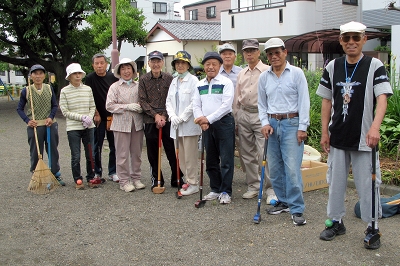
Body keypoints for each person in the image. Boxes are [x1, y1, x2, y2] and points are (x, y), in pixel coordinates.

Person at [317, 21, 392, 249]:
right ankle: (336, 222)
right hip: (338, 135)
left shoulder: (374, 65)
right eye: (346, 38)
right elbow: (326, 100)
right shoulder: (333, 67)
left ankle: (372, 227)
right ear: (340, 41)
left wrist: (375, 127)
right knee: (336, 183)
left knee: (368, 184)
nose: (351, 42)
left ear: (364, 39)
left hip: (364, 137)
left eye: (356, 38)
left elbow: (382, 98)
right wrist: (324, 132)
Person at [258, 38, 310, 225]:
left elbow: (304, 101)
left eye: (277, 52)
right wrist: (264, 122)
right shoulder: (264, 77)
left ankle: (296, 208)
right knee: (276, 167)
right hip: (272, 123)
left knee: (292, 168)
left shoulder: (296, 73)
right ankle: (283, 201)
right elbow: (261, 104)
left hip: (292, 123)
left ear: (285, 52)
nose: (273, 56)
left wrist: (302, 127)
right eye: (270, 53)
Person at [233, 39, 277, 203]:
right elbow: (237, 97)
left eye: (252, 50)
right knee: (247, 153)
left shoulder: (267, 71)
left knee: (264, 153)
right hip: (244, 114)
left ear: (259, 52)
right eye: (246, 51)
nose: (249, 54)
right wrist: (237, 116)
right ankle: (253, 185)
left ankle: (271, 189)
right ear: (243, 54)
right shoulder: (241, 73)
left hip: (261, 115)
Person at [193, 51, 235, 204]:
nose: (211, 67)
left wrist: (208, 119)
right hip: (206, 126)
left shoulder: (226, 82)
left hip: (224, 123)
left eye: (214, 64)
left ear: (220, 66)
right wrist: (202, 121)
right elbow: (196, 105)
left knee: (226, 160)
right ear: (203, 66)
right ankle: (215, 188)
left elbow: (226, 106)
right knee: (210, 159)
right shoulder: (200, 84)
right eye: (207, 64)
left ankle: (225, 191)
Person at [139, 50, 184, 191]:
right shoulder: (143, 79)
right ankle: (157, 179)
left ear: (162, 63)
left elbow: (171, 99)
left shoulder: (169, 78)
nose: (156, 64)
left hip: (167, 118)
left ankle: (177, 177)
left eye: (158, 61)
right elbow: (142, 100)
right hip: (150, 119)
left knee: (171, 149)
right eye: (153, 61)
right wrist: (155, 116)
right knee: (153, 152)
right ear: (149, 63)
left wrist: (164, 115)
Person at [17, 64, 64, 186]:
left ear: (44, 75)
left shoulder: (49, 88)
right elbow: (19, 109)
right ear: (31, 76)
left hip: (49, 124)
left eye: (40, 73)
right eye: (35, 73)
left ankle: (55, 173)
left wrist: (51, 117)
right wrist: (27, 120)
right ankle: (36, 174)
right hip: (35, 125)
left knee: (52, 149)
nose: (38, 76)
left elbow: (54, 105)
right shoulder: (26, 91)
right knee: (35, 151)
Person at [106, 58, 145, 192]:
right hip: (121, 124)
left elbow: (144, 101)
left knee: (136, 153)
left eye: (128, 68)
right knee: (122, 154)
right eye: (123, 68)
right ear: (119, 71)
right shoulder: (115, 87)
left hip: (137, 123)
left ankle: (136, 178)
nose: (126, 71)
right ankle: (124, 181)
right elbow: (109, 106)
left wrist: (141, 107)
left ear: (133, 71)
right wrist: (127, 106)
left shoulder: (139, 85)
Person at [166, 51, 201, 196]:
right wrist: (172, 115)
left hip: (189, 125)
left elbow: (195, 102)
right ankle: (188, 180)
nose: (180, 65)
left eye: (183, 63)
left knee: (190, 156)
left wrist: (182, 117)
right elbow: (168, 101)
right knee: (181, 157)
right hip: (176, 126)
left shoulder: (194, 81)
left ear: (188, 65)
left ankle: (194, 183)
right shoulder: (174, 81)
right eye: (177, 63)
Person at [59, 63, 97, 190]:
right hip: (73, 127)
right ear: (69, 76)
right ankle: (77, 179)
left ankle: (91, 177)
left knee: (90, 154)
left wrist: (89, 117)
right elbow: (65, 111)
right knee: (76, 155)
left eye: (79, 73)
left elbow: (92, 106)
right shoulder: (64, 91)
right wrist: (81, 117)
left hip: (88, 126)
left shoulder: (88, 89)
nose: (77, 76)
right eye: (74, 74)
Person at [85, 54, 119, 183]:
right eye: (96, 63)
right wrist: (95, 113)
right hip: (97, 118)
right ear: (93, 65)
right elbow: (89, 98)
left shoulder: (113, 77)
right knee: (96, 146)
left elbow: (116, 96)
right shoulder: (89, 78)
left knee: (113, 146)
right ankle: (97, 172)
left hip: (112, 117)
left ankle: (113, 171)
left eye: (101, 63)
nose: (99, 66)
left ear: (106, 64)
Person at [218, 43, 245, 174]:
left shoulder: (241, 72)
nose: (227, 56)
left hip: (239, 113)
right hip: (221, 115)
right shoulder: (215, 72)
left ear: (235, 56)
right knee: (222, 147)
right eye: (224, 54)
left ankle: (250, 176)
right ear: (220, 56)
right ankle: (223, 175)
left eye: (230, 54)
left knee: (244, 147)